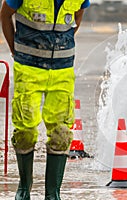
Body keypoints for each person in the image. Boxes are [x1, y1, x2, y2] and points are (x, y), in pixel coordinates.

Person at [0, 0, 90, 199]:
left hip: (63, 70)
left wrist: (60, 47)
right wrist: (16, 51)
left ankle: (52, 194)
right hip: (28, 68)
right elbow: (5, 15)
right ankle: (24, 188)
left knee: (61, 132)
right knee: (25, 129)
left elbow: (79, 14)